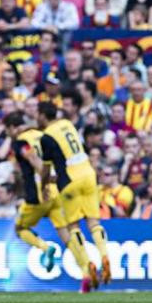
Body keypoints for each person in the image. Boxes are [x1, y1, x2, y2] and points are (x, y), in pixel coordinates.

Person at [39, 102, 111, 292]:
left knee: (73, 227)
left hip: (70, 181)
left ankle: (88, 266)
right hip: (88, 174)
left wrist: (44, 185)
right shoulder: (68, 124)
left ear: (42, 116)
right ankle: (105, 256)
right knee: (94, 223)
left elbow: (46, 169)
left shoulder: (46, 137)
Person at [4, 111, 68, 275]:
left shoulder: (21, 142)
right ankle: (85, 264)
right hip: (56, 191)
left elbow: (32, 158)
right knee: (63, 229)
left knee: (20, 228)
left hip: (40, 192)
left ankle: (45, 248)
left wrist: (45, 180)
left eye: (8, 131)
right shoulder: (41, 134)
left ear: (12, 128)